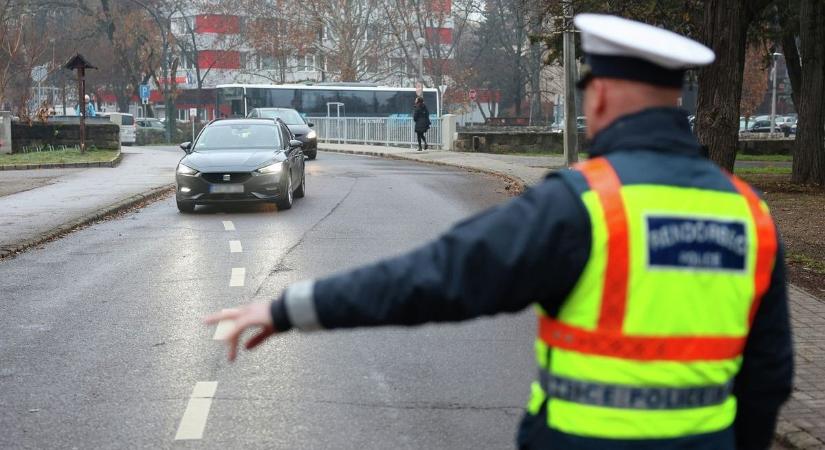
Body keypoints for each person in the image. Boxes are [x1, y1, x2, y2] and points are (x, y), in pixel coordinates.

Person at [206, 14, 792, 450]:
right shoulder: (750, 214)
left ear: (604, 95)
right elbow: (770, 376)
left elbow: (437, 277)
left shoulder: (583, 206)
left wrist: (289, 307)